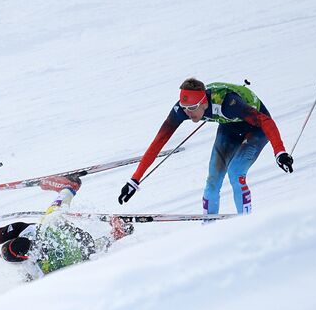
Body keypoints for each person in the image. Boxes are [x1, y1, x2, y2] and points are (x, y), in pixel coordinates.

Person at [0, 175, 133, 299]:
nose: (32, 247)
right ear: (24, 258)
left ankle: (69, 187)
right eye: (30, 251)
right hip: (60, 254)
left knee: (52, 215)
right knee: (81, 255)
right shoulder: (30, 268)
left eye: (30, 244)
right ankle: (117, 234)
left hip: (55, 229)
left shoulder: (16, 230)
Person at [118, 78, 294, 214]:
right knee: (212, 182)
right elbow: (159, 140)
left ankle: (247, 222)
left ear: (203, 103)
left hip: (257, 129)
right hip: (229, 127)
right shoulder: (184, 109)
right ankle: (208, 230)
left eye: (192, 108)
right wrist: (134, 180)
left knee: (235, 172)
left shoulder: (227, 104)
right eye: (184, 107)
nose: (188, 113)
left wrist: (280, 152)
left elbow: (266, 121)